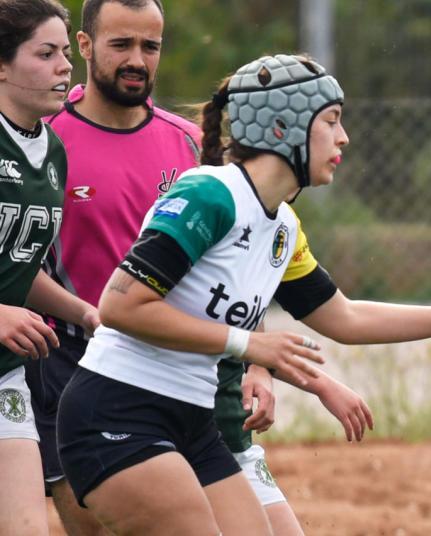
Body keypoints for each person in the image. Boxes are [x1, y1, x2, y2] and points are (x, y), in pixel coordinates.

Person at [53, 53, 431, 535]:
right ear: (281, 127)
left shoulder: (282, 226)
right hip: (116, 411)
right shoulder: (210, 193)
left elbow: (346, 319)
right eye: (331, 122)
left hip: (193, 422)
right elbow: (120, 306)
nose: (343, 138)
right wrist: (248, 345)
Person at [36, 4, 365, 534]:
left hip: (187, 379)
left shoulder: (188, 144)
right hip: (70, 365)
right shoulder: (44, 140)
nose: (137, 60)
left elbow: (235, 262)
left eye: (151, 46)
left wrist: (257, 364)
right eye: (122, 45)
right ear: (85, 45)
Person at [0, 1, 100, 534]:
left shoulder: (53, 152)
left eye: (66, 52)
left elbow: (17, 266)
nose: (65, 66)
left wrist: (87, 313)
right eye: (45, 53)